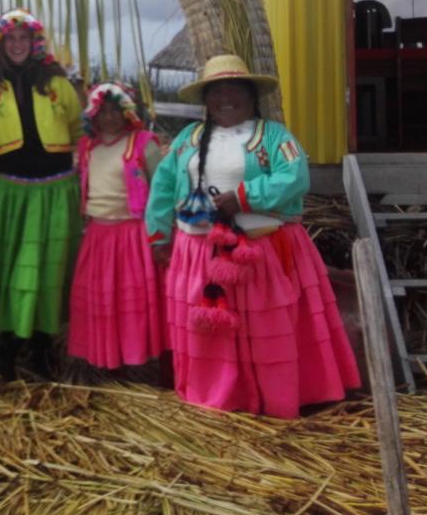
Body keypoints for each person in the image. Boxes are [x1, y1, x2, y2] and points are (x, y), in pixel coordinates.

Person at [145, 54, 360, 418]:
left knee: (265, 327)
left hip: (260, 250)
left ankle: (273, 400)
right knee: (211, 329)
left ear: (251, 95)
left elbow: (295, 177)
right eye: (217, 91)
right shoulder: (187, 139)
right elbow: (163, 185)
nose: (226, 97)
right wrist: (159, 233)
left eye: (235, 89)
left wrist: (244, 197)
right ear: (206, 99)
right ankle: (216, 397)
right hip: (199, 251)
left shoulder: (274, 137)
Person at [0, 9, 83, 381]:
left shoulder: (57, 82)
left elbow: (79, 127)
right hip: (11, 190)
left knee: (48, 266)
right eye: (9, 39)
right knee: (12, 266)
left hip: (56, 190)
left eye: (23, 39)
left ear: (35, 43)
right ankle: (8, 346)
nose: (17, 45)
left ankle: (43, 347)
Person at [67, 82, 165, 374]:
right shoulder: (88, 147)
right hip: (98, 235)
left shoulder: (143, 143)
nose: (109, 117)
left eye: (115, 110)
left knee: (130, 301)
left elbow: (162, 189)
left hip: (132, 236)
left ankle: (137, 362)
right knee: (102, 299)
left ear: (127, 112)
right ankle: (104, 359)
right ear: (92, 115)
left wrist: (161, 234)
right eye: (102, 111)